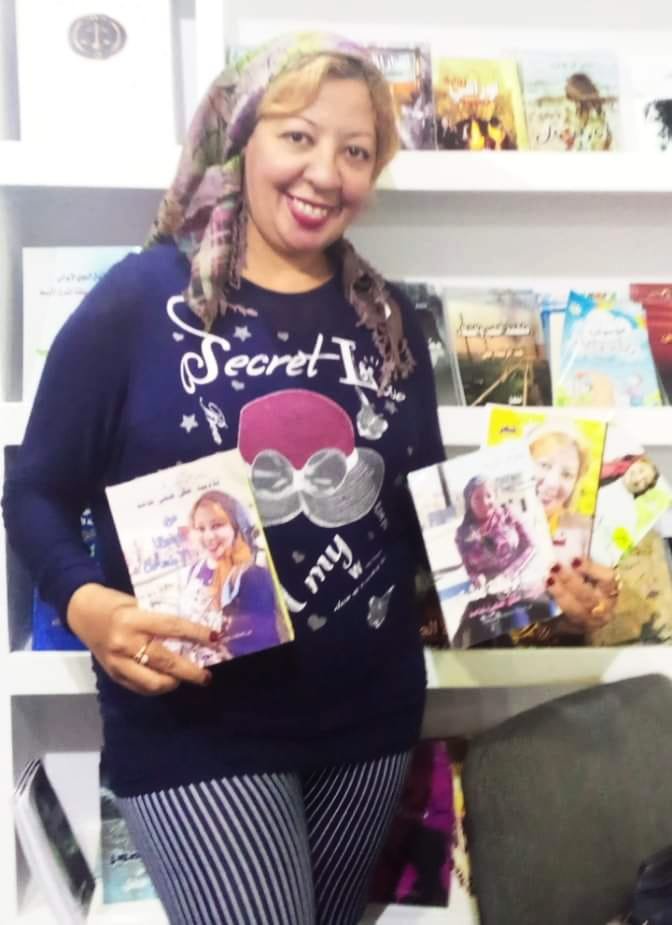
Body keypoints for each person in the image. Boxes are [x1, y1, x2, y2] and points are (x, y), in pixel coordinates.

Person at [1, 32, 619, 924]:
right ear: (239, 137)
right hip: (196, 726)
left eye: (356, 151)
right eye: (298, 136)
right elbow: (35, 487)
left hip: (367, 723)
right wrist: (87, 603)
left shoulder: (390, 319)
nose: (326, 173)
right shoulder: (139, 301)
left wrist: (545, 582)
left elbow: (423, 524)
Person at [178, 490, 287, 666]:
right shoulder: (192, 573)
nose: (208, 536)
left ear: (236, 527)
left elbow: (264, 639)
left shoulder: (253, 575)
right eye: (200, 528)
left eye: (217, 526)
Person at [454, 476, 532, 585]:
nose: (485, 502)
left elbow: (531, 546)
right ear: (469, 502)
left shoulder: (509, 515)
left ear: (494, 496)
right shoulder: (462, 534)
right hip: (489, 587)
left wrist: (510, 572)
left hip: (521, 578)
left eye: (488, 496)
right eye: (477, 498)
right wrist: (476, 577)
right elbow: (469, 569)